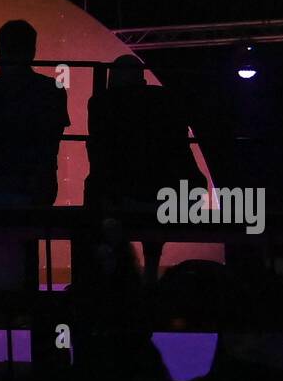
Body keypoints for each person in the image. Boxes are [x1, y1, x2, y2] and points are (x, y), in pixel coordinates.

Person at [0, 19, 69, 294]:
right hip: (38, 187)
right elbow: (51, 147)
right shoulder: (52, 91)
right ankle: (26, 296)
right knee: (28, 230)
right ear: (32, 51)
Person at [84, 54, 205, 285]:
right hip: (174, 196)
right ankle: (148, 269)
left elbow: (100, 157)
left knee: (100, 199)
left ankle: (108, 276)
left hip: (126, 197)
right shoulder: (166, 101)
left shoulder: (103, 103)